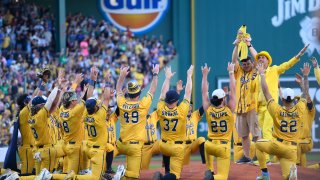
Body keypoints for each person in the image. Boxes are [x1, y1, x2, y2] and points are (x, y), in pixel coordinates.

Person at [255, 63, 312, 180]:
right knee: (286, 176)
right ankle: (290, 176)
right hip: (291, 150)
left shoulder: (276, 109)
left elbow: (266, 91)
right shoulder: (300, 108)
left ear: (283, 99)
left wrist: (262, 74)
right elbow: (305, 93)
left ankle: (265, 175)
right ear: (293, 99)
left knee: (258, 144)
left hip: (276, 145)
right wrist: (305, 76)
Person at [254, 44, 309, 163]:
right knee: (258, 132)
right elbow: (257, 91)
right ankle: (264, 156)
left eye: (263, 57)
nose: (260, 59)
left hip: (270, 106)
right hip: (259, 107)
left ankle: (267, 158)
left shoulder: (274, 69)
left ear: (268, 60)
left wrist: (299, 55)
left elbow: (288, 64)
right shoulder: (258, 74)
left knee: (267, 130)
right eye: (259, 57)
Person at [114, 64, 159, 179]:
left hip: (121, 144)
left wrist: (122, 76)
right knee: (133, 176)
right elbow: (153, 89)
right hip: (135, 146)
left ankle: (117, 175)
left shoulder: (122, 103)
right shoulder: (143, 104)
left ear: (128, 93)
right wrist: (155, 73)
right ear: (139, 93)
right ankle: (124, 172)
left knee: (101, 167)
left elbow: (118, 88)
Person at [152, 65, 193, 180]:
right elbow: (188, 92)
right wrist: (189, 75)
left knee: (169, 171)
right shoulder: (182, 110)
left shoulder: (161, 108)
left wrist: (167, 78)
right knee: (175, 176)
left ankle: (165, 171)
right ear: (176, 101)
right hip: (177, 147)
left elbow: (162, 93)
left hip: (164, 146)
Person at [201, 62, 236, 180]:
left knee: (205, 144)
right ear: (223, 99)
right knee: (222, 177)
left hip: (209, 145)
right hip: (223, 147)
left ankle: (210, 170)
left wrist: (205, 75)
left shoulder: (208, 109)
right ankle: (211, 178)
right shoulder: (229, 109)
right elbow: (234, 89)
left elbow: (204, 92)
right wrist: (231, 72)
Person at [232, 35, 260, 164]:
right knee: (243, 135)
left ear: (252, 63)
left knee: (256, 134)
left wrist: (249, 45)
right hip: (240, 108)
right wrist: (237, 45)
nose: (246, 65)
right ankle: (247, 156)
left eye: (248, 63)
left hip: (252, 107)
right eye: (244, 64)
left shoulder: (255, 70)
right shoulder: (239, 72)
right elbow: (233, 61)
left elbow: (258, 59)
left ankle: (259, 156)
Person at [294, 71, 315, 168]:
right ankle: (317, 166)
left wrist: (303, 81)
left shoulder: (310, 110)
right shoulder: (295, 113)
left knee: (296, 143)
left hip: (307, 141)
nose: (297, 101)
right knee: (305, 170)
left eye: (298, 99)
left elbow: (306, 94)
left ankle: (295, 165)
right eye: (296, 100)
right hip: (299, 144)